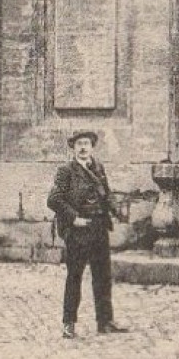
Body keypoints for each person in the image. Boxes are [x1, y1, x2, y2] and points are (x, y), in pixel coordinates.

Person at [47, 130, 127, 338]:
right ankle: (69, 323)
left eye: (87, 144)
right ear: (73, 147)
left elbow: (106, 194)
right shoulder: (66, 171)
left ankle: (105, 321)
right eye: (79, 144)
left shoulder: (98, 168)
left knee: (103, 277)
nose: (83, 147)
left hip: (99, 227)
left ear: (92, 147)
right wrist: (74, 218)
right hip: (78, 231)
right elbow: (54, 200)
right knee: (75, 277)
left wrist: (115, 210)